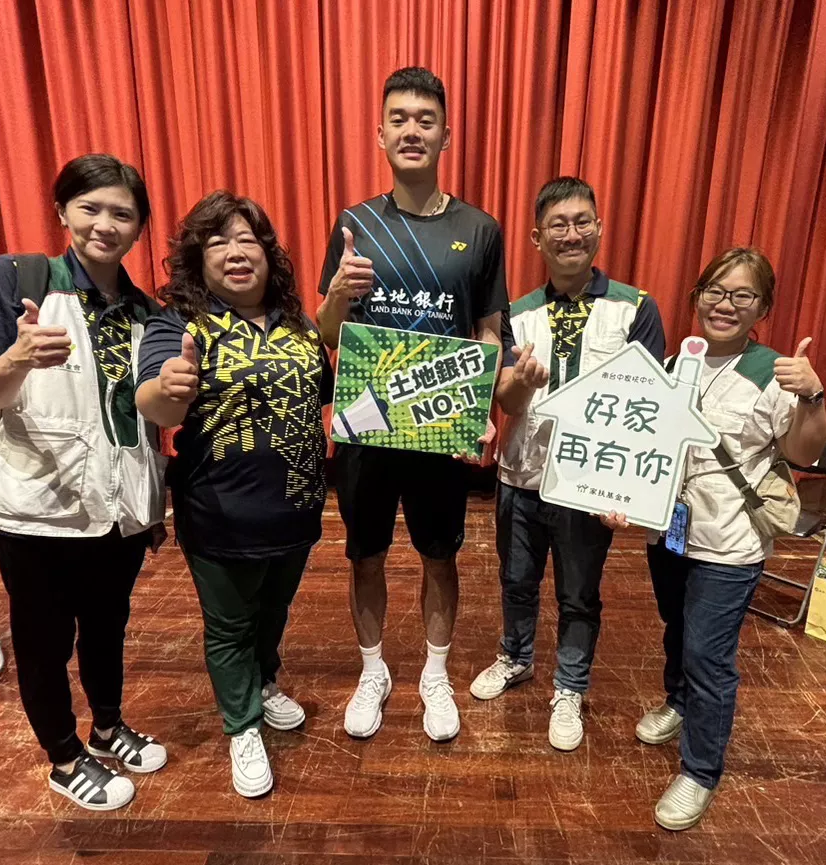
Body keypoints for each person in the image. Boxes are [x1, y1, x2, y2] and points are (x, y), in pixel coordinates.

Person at [0, 154, 169, 812]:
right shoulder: (17, 279)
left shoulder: (144, 311)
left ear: (139, 227)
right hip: (35, 509)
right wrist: (16, 357)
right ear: (62, 212)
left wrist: (153, 504)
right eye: (90, 208)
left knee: (107, 627)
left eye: (122, 213)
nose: (105, 224)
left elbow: (140, 417)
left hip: (118, 509)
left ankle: (107, 726)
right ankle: (65, 757)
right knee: (44, 641)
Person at [316, 66, 508, 742]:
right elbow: (329, 334)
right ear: (380, 133)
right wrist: (337, 292)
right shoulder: (355, 224)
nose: (411, 130)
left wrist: (481, 406)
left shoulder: (479, 229)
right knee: (364, 555)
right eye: (398, 118)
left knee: (439, 555)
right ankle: (373, 670)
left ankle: (435, 672)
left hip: (439, 426)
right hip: (367, 424)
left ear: (446, 135)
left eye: (425, 120)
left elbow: (488, 332)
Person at [136, 191, 332, 798]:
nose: (236, 252)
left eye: (248, 239)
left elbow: (332, 396)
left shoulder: (298, 325)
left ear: (269, 255)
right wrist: (169, 387)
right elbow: (156, 401)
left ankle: (264, 681)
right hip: (220, 512)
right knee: (228, 625)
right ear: (199, 260)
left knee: (273, 611)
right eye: (218, 242)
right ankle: (241, 725)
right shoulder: (178, 324)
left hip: (297, 506)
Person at [627, 247, 826, 830]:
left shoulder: (774, 372)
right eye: (715, 291)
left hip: (731, 542)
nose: (725, 304)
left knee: (708, 656)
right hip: (670, 531)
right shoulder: (673, 363)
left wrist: (813, 395)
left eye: (743, 295)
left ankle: (700, 770)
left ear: (763, 307)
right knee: (676, 626)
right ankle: (677, 701)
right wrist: (623, 502)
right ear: (697, 297)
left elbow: (805, 452)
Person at [469, 177, 666, 753]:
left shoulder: (636, 308)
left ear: (599, 229)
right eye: (558, 224)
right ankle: (516, 656)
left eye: (582, 222)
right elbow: (506, 402)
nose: (571, 234)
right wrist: (523, 384)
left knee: (579, 594)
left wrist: (627, 491)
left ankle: (570, 686)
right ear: (537, 238)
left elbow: (647, 407)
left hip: (589, 486)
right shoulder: (518, 313)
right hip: (522, 476)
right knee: (516, 580)